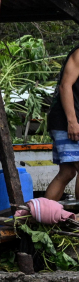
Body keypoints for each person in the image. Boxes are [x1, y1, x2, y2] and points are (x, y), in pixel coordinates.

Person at [45, 45, 79, 201]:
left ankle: (43, 217)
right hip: (68, 120)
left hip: (67, 120)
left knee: (67, 172)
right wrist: (72, 121)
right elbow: (65, 85)